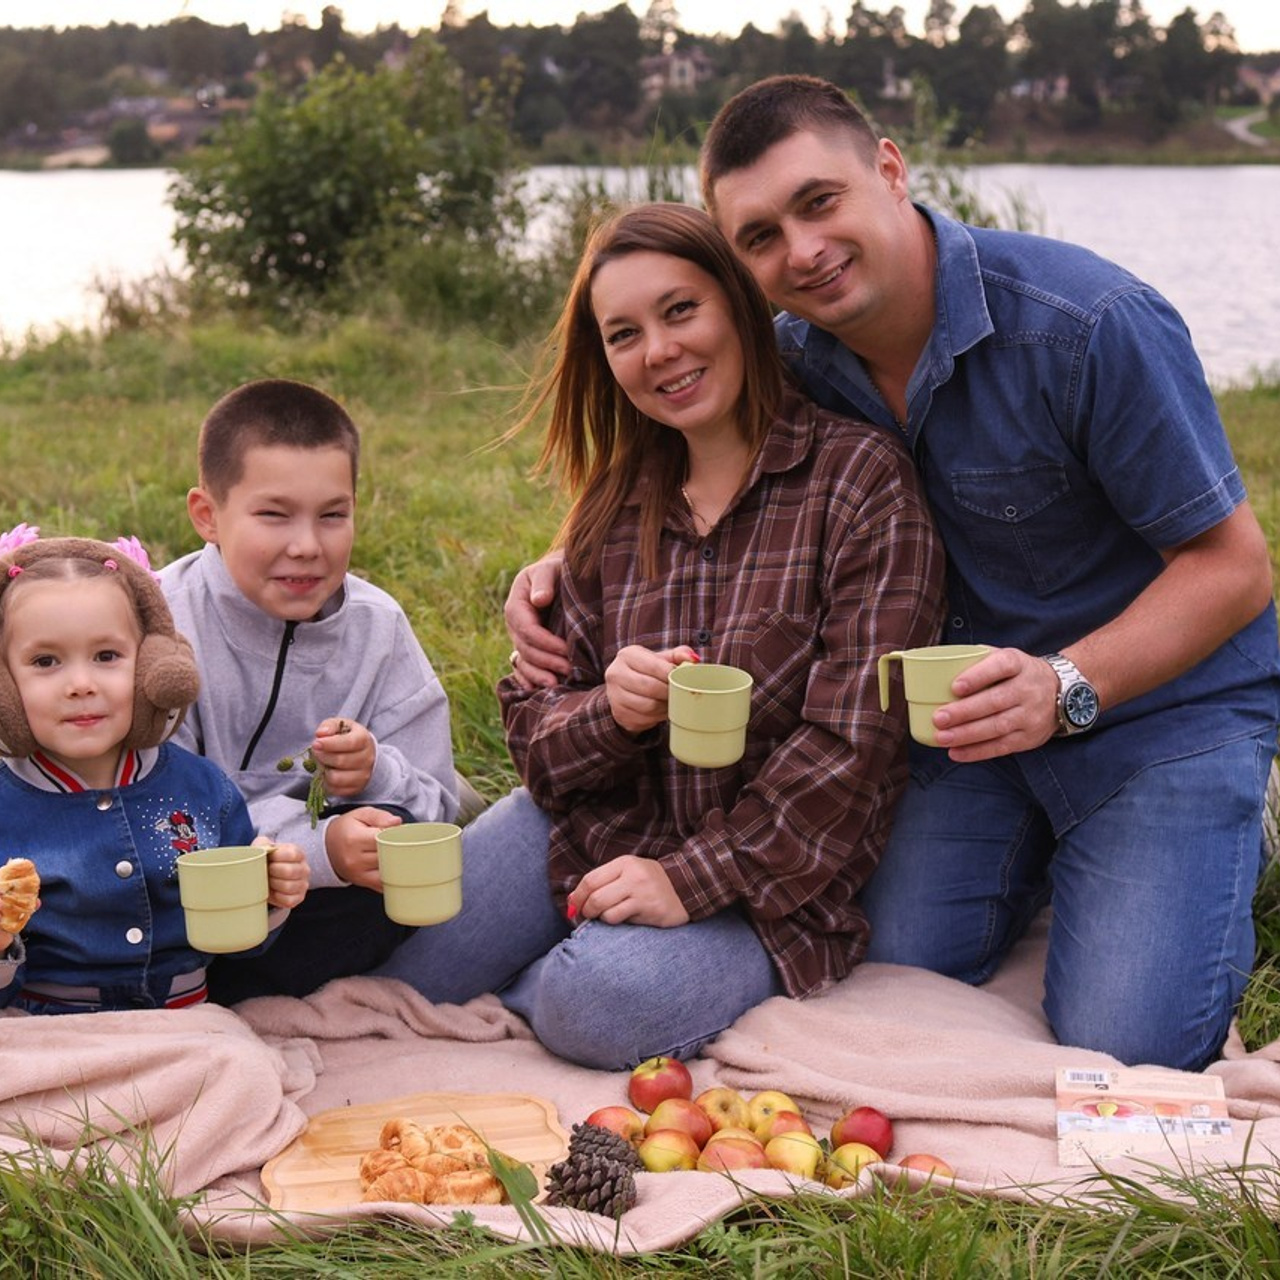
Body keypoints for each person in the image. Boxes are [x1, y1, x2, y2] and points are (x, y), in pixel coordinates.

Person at [506, 76, 1280, 1073]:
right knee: (894, 959)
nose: (802, 250)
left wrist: (1062, 685)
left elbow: (1234, 567)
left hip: (1157, 708)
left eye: (817, 202)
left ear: (887, 168)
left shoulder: (1086, 323)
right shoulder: (794, 355)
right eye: (759, 235)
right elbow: (678, 452)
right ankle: (1059, 856)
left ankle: (1224, 820)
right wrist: (562, 562)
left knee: (1125, 1039)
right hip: (960, 726)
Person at [373, 202, 945, 1069]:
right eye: (625, 333)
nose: (660, 352)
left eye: (681, 310)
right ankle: (555, 954)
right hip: (592, 829)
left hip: (765, 887)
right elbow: (536, 740)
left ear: (740, 306)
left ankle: (564, 972)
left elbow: (852, 748)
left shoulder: (858, 482)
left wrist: (689, 880)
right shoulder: (615, 504)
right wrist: (613, 710)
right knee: (404, 970)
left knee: (594, 1004)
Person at [159, 378, 460, 1001]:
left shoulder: (379, 627)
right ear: (207, 516)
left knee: (406, 842)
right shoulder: (162, 622)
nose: (307, 546)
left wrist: (375, 773)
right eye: (274, 515)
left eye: (332, 515)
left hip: (321, 907)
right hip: (189, 895)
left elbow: (437, 806)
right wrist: (321, 850)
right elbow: (162, 810)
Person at [0, 529, 308, 1014]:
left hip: (187, 1023)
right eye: (45, 661)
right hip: (50, 1029)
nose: (81, 684)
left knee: (242, 1067)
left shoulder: (202, 789)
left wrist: (270, 896)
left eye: (107, 656)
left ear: (151, 665)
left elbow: (244, 946)